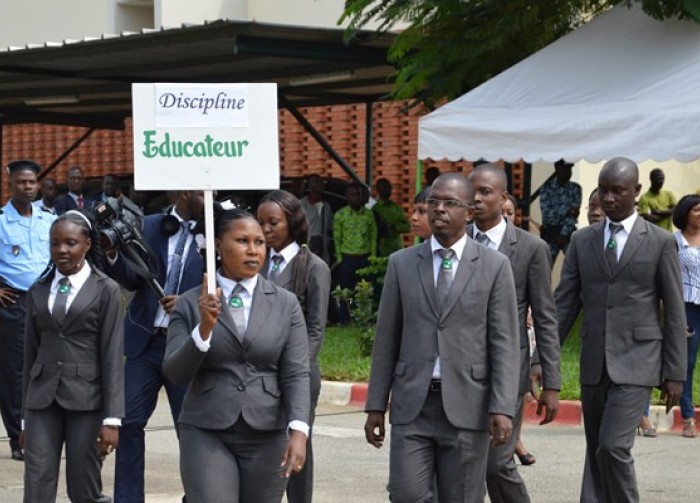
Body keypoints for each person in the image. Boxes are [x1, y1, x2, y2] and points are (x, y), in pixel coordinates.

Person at [364, 173, 519, 502]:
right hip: (413, 405)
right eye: (433, 202)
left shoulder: (494, 266)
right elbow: (387, 339)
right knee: (407, 494)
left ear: (469, 213)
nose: (439, 210)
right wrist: (376, 404)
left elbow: (504, 343)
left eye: (450, 203)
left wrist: (503, 407)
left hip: (468, 405)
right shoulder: (402, 264)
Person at [555, 157, 687, 502]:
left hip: (638, 361)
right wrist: (540, 356)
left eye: (618, 191)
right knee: (597, 450)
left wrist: (675, 371)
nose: (609, 198)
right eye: (604, 189)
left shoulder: (660, 242)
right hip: (594, 362)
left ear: (637, 192)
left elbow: (674, 310)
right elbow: (564, 305)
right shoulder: (582, 241)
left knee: (613, 447)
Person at [162, 208, 311, 502]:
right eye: (242, 241)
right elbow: (175, 372)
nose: (253, 250)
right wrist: (203, 330)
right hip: (206, 429)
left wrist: (299, 430)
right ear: (218, 245)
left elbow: (296, 372)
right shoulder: (190, 303)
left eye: (260, 242)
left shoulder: (286, 304)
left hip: (268, 432)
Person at [467, 164, 560, 503]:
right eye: (471, 192)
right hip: (462, 371)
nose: (475, 199)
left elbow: (547, 318)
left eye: (485, 192)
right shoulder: (455, 241)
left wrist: (551, 382)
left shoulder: (531, 248)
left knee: (497, 463)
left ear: (503, 197)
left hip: (508, 372)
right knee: (466, 465)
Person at [105, 190, 205, 502]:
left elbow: (225, 282)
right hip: (144, 343)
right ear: (186, 192)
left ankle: (198, 496)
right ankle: (128, 498)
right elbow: (133, 279)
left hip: (185, 346)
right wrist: (112, 255)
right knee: (128, 422)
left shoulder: (217, 230)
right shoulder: (148, 225)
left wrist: (189, 302)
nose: (210, 197)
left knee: (189, 430)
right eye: (203, 192)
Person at [22, 211, 124, 502]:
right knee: (37, 480)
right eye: (55, 244)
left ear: (87, 244)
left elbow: (113, 355)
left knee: (84, 484)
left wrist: (112, 418)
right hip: (42, 399)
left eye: (70, 243)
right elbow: (29, 356)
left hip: (88, 400)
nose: (61, 250)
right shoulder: (37, 290)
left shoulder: (106, 290)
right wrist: (24, 420)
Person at [256, 190, 331, 503]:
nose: (265, 230)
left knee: (297, 442)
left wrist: (294, 369)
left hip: (297, 372)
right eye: (260, 223)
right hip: (259, 370)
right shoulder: (254, 263)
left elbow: (316, 328)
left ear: (293, 223)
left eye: (273, 222)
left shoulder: (314, 267)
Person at [0, 160, 56, 461]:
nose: (28, 187)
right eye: (22, 182)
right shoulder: (0, 220)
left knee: (47, 366)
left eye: (32, 182)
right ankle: (17, 436)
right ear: (11, 185)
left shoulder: (49, 218)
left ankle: (43, 433)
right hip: (15, 303)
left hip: (48, 302)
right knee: (15, 373)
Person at [672, 194, 700, 438]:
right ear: (685, 213)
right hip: (687, 307)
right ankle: (688, 417)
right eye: (697, 210)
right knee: (687, 363)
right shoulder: (674, 242)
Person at [333, 182, 377, 325]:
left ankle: (363, 319)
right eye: (353, 194)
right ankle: (345, 320)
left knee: (364, 290)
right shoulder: (340, 215)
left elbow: (373, 236)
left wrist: (373, 256)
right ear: (347, 197)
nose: (357, 198)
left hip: (365, 258)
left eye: (359, 194)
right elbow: (337, 238)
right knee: (346, 290)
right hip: (347, 258)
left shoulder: (368, 214)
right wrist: (340, 258)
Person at [539, 159, 582, 263]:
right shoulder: (546, 188)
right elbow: (546, 215)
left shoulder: (575, 188)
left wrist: (563, 235)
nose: (569, 172)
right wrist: (568, 211)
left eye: (570, 169)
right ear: (557, 169)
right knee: (544, 270)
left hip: (568, 235)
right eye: (565, 169)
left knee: (577, 266)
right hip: (550, 235)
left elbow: (574, 215)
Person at [300, 174, 333, 265]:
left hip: (323, 247)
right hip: (307, 245)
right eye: (316, 182)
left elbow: (330, 228)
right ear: (309, 186)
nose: (320, 185)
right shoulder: (301, 205)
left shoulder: (326, 206)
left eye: (321, 183)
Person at [372, 178, 410, 256]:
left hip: (397, 249)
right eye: (384, 187)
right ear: (377, 190)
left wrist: (395, 226)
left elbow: (407, 227)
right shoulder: (375, 209)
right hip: (381, 250)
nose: (387, 190)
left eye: (389, 187)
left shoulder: (396, 208)